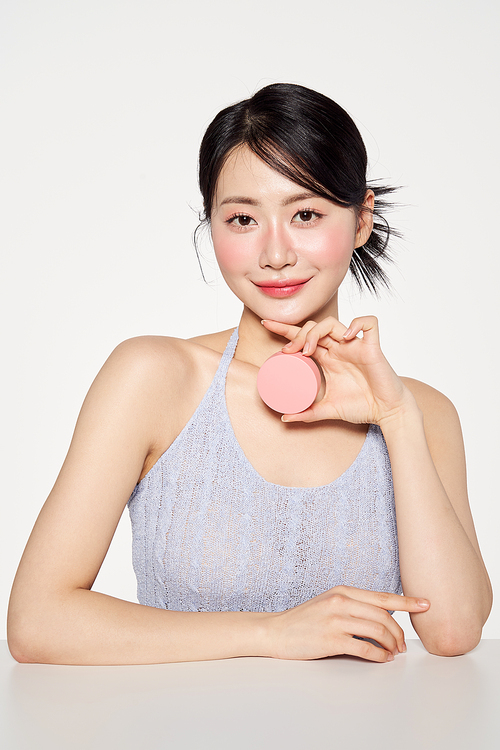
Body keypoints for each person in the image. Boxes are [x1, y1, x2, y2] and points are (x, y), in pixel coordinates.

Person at [7, 83, 492, 665]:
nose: (276, 253)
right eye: (242, 219)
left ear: (362, 219)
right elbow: (37, 621)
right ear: (211, 227)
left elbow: (454, 631)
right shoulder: (155, 378)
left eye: (306, 214)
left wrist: (396, 418)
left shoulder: (420, 412)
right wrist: (271, 634)